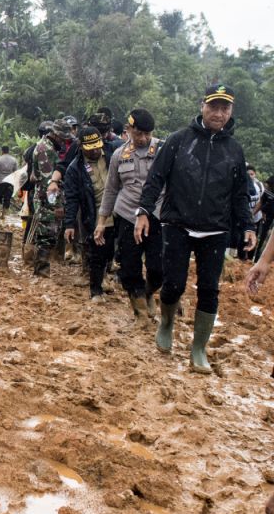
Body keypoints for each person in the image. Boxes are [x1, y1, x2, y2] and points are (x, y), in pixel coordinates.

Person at [136, 84, 255, 372]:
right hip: (177, 224)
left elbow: (240, 194)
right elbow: (156, 178)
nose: (218, 113)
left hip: (215, 229)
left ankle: (198, 348)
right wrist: (143, 211)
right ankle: (166, 323)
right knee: (173, 282)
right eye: (213, 106)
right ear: (202, 106)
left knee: (209, 289)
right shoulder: (179, 140)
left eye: (224, 108)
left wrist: (249, 226)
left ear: (231, 111)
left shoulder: (234, 150)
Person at [96, 108, 162, 319]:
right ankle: (140, 311)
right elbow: (111, 189)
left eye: (147, 134)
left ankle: (150, 291)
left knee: (158, 267)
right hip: (127, 216)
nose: (143, 138)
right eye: (138, 133)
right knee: (129, 266)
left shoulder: (163, 150)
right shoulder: (119, 155)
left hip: (157, 215)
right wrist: (101, 221)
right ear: (129, 129)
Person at [63, 127, 114, 301]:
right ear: (81, 146)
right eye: (90, 147)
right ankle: (96, 291)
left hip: (120, 212)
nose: (95, 150)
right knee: (97, 253)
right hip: (95, 215)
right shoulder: (75, 169)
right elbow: (71, 199)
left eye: (97, 146)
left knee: (114, 252)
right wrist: (70, 224)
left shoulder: (112, 154)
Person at [28, 127, 66, 276]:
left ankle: (41, 270)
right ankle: (41, 271)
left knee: (46, 235)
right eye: (62, 139)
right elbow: (48, 182)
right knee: (46, 235)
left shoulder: (43, 145)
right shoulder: (46, 149)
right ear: (55, 135)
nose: (63, 142)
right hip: (46, 199)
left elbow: (33, 175)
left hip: (43, 196)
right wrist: (56, 205)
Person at [236, 166, 264, 261]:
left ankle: (249, 259)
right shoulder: (241, 187)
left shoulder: (260, 186)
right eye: (248, 174)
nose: (250, 176)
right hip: (245, 218)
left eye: (252, 174)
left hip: (256, 218)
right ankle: (241, 258)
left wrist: (256, 214)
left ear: (255, 174)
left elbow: (262, 201)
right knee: (242, 239)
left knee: (253, 239)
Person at [0, 146, 18, 218]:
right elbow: (16, 172)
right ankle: (4, 215)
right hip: (10, 182)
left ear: (2, 151)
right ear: (8, 151)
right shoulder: (14, 160)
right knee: (7, 198)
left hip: (0, 181)